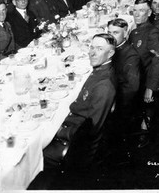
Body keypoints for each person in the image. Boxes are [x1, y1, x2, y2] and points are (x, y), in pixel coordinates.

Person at [43, 33, 117, 169]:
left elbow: (92, 130)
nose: (92, 53)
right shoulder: (100, 70)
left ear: (111, 53)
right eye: (91, 47)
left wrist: (60, 132)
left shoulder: (104, 86)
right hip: (75, 122)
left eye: (100, 49)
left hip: (76, 144)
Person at [129, 0, 159, 148]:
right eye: (135, 10)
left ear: (149, 12)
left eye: (141, 11)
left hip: (143, 79)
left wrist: (150, 88)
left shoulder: (152, 33)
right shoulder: (135, 30)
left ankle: (143, 130)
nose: (137, 14)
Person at [107, 18, 141, 144]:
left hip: (123, 103)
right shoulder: (114, 48)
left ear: (126, 33)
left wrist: (113, 102)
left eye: (116, 33)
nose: (111, 36)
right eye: (109, 33)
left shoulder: (131, 56)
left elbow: (132, 88)